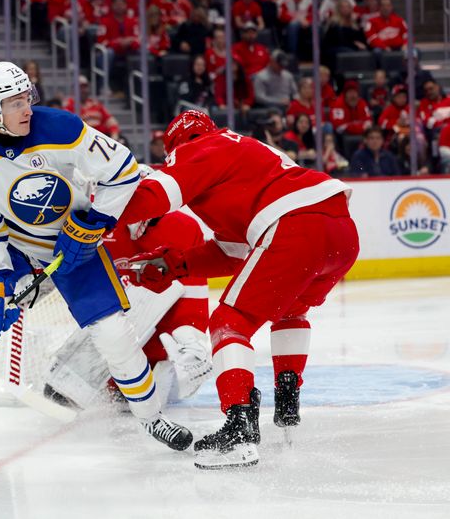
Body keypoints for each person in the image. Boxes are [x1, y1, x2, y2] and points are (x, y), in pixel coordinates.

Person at [0, 61, 193, 452]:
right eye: (14, 102)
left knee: (111, 333)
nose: (26, 109)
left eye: (27, 97)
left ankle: (152, 417)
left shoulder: (61, 127)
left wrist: (94, 222)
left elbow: (123, 170)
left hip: (75, 244)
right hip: (12, 240)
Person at [121, 109, 359, 469]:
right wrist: (175, 266)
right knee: (291, 309)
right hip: (340, 230)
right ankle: (287, 402)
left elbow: (157, 196)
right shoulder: (247, 151)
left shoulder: (196, 149)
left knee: (228, 322)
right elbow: (234, 251)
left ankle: (240, 430)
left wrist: (95, 211)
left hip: (295, 225)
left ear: (175, 145)